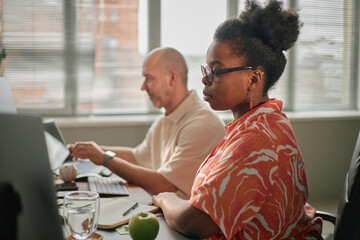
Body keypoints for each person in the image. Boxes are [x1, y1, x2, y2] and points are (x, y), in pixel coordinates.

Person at [152, 1, 323, 239]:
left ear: (253, 79)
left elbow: (193, 222)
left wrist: (166, 197)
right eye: (206, 70)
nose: (205, 80)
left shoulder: (257, 140)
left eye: (216, 70)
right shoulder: (267, 122)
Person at [68, 47, 226, 199]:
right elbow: (136, 157)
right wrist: (90, 151)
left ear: (172, 78)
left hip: (183, 224)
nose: (143, 87)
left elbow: (165, 185)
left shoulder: (201, 124)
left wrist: (104, 159)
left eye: (149, 78)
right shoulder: (165, 120)